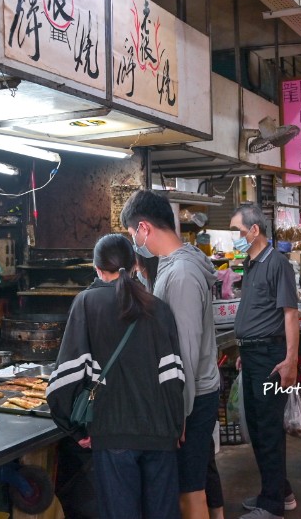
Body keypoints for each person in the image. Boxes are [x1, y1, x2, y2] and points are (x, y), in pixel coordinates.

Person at [47, 233, 185, 519]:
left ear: (96, 268)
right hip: (160, 434)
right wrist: (176, 424)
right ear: (135, 264)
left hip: (113, 435)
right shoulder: (158, 308)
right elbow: (173, 375)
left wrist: (76, 430)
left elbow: (67, 376)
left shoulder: (86, 303)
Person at [120, 189, 223, 519]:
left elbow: (186, 350)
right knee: (198, 478)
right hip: (191, 395)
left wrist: (179, 413)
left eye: (131, 233)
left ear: (144, 228)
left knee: (188, 491)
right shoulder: (173, 263)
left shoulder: (181, 275)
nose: (133, 241)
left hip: (190, 398)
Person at [229, 202, 299, 519]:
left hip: (271, 357)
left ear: (254, 230)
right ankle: (278, 491)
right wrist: (245, 350)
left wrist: (290, 360)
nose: (235, 237)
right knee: (257, 428)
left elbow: (290, 314)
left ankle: (273, 505)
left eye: (238, 231)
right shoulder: (252, 262)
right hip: (254, 355)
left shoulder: (277, 264)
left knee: (269, 430)